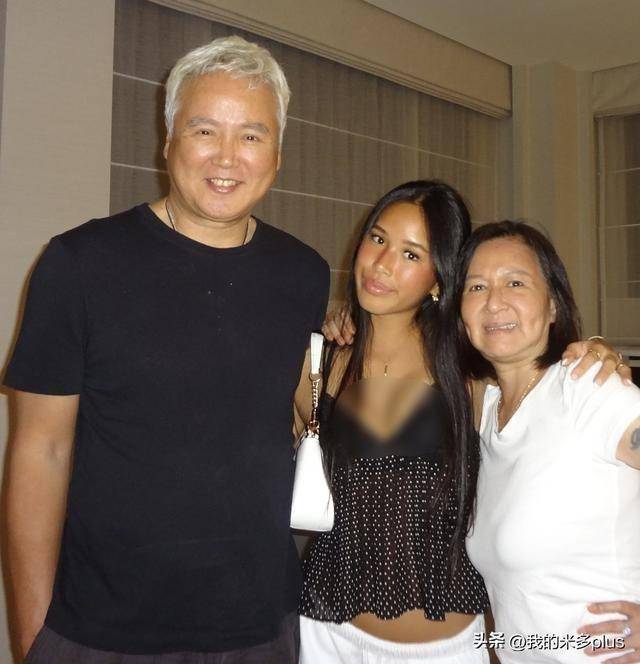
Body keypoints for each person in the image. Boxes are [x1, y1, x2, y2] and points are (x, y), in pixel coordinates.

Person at [3, 36, 328, 663]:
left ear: (277, 155)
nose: (227, 157)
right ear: (169, 140)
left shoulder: (304, 273)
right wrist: (31, 634)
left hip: (261, 628)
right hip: (101, 631)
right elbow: (39, 451)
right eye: (205, 130)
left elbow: (299, 411)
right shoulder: (79, 264)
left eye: (252, 135)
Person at [294, 180, 493, 663]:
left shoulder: (473, 372)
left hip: (443, 648)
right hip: (325, 635)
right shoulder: (318, 362)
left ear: (439, 278)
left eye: (410, 254)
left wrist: (592, 351)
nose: (382, 264)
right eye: (378, 238)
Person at [456, 220, 640, 663]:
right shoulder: (488, 413)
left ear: (554, 304)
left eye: (515, 282)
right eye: (477, 286)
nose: (494, 301)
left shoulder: (587, 388)